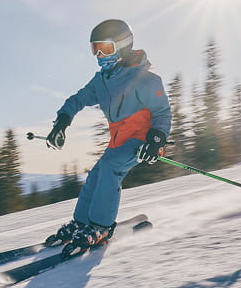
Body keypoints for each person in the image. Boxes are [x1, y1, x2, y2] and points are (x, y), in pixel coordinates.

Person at [44, 19, 171, 252]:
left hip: (140, 139)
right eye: (96, 49)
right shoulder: (101, 81)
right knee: (95, 175)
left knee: (111, 167)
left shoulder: (146, 80)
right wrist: (62, 121)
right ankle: (80, 224)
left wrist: (156, 140)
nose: (100, 54)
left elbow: (162, 113)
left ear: (123, 46)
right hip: (118, 140)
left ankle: (100, 227)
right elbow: (78, 99)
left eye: (106, 48)